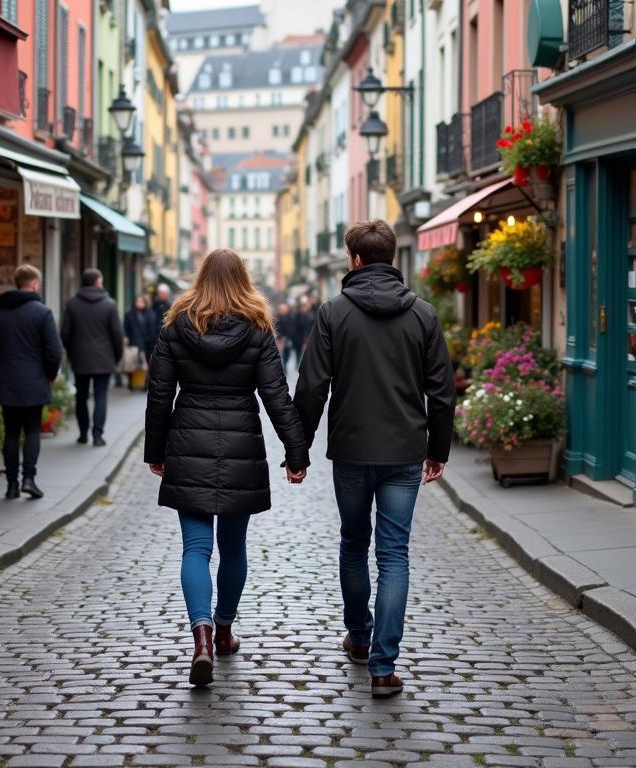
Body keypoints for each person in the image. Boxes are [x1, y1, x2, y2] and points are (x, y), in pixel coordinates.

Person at [295, 220, 455, 698]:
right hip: (405, 450)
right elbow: (442, 392)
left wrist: (297, 450)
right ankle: (383, 668)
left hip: (351, 450)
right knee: (394, 554)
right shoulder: (423, 314)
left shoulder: (332, 313)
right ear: (392, 257)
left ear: (356, 260)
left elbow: (311, 387)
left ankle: (361, 640)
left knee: (353, 543)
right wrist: (438, 450)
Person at [144, 249, 309, 688]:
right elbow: (277, 394)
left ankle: (199, 640)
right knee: (233, 549)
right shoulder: (257, 328)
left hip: (188, 441)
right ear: (243, 279)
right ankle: (222, 630)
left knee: (195, 548)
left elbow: (159, 394)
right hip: (241, 444)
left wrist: (155, 451)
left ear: (201, 278)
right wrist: (297, 454)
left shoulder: (177, 324)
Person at [0, 265, 63, 500]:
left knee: (11, 433)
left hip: (7, 382)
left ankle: (12, 485)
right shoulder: (42, 312)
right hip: (35, 382)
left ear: (17, 283)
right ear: (34, 284)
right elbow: (54, 351)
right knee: (33, 430)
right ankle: (29, 478)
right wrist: (49, 374)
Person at [61, 269, 124, 447]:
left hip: (80, 359)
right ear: (97, 282)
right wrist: (116, 356)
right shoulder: (109, 304)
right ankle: (97, 435)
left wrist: (71, 352)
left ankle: (82, 433)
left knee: (81, 397)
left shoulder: (72, 304)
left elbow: (65, 333)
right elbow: (116, 334)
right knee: (100, 396)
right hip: (104, 359)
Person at [123, 295, 157, 386]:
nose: (139, 304)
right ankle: (132, 382)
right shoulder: (129, 314)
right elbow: (125, 328)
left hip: (146, 343)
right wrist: (125, 336)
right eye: (137, 301)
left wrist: (150, 340)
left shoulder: (150, 314)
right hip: (133, 342)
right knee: (132, 363)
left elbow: (153, 329)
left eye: (141, 302)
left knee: (145, 363)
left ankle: (145, 382)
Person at [276, 301, 298, 372]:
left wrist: (289, 337)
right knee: (279, 353)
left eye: (284, 309)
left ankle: (284, 365)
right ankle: (281, 366)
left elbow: (292, 328)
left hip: (287, 338)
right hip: (279, 339)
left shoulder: (290, 318)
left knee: (287, 353)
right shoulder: (276, 318)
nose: (282, 311)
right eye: (281, 309)